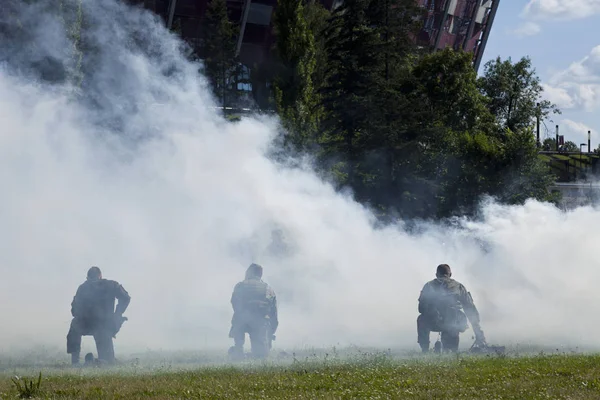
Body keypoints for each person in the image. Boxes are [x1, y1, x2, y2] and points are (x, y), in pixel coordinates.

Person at [66, 266, 131, 365]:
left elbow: (125, 298)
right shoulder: (86, 288)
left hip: (102, 326)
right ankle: (76, 362)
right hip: (94, 325)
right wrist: (117, 314)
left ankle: (87, 362)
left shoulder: (108, 285)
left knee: (108, 362)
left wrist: (117, 315)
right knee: (75, 324)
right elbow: (75, 309)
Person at [417, 264, 486, 353]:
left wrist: (432, 311)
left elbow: (421, 308)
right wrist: (479, 333)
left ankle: (425, 350)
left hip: (435, 321)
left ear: (436, 274)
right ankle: (450, 349)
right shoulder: (459, 286)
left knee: (421, 318)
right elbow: (470, 309)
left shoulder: (428, 286)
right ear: (450, 274)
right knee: (451, 350)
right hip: (455, 322)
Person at [228, 263, 278, 360]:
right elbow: (273, 313)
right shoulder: (268, 288)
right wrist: (271, 332)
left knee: (239, 352)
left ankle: (238, 350)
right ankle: (258, 352)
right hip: (261, 322)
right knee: (261, 355)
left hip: (242, 321)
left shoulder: (240, 286)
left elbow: (234, 303)